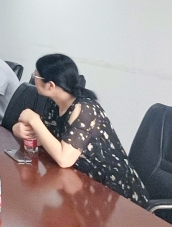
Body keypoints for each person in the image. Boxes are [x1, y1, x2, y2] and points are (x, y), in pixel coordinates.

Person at [13, 54, 149, 207]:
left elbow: (64, 159)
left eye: (36, 75)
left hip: (117, 194)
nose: (34, 78)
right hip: (82, 183)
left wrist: (34, 120)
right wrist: (19, 129)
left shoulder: (85, 109)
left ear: (50, 85)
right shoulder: (56, 103)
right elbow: (47, 138)